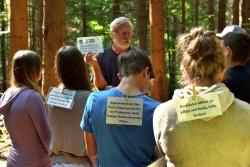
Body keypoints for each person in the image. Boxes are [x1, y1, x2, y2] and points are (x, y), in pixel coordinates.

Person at [153, 27, 250, 167]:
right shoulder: (247, 113)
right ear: (223, 71)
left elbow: (162, 156)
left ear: (184, 71)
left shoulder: (163, 113)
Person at [81, 48, 160, 167]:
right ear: (145, 72)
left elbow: (91, 152)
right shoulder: (157, 109)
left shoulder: (94, 100)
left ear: (120, 75)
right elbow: (160, 157)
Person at [0, 50, 51, 167]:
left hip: (13, 160)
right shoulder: (32, 97)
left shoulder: (8, 93)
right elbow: (47, 138)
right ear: (34, 70)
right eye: (39, 66)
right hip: (36, 162)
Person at [46, 46, 92, 167]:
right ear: (81, 67)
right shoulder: (90, 99)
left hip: (55, 162)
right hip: (82, 163)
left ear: (59, 68)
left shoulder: (51, 96)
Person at [84, 16, 133, 90]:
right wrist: (94, 64)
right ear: (112, 34)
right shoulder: (101, 56)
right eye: (124, 33)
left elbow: (145, 87)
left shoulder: (140, 56)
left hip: (134, 101)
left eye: (129, 33)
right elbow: (100, 87)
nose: (127, 37)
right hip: (107, 101)